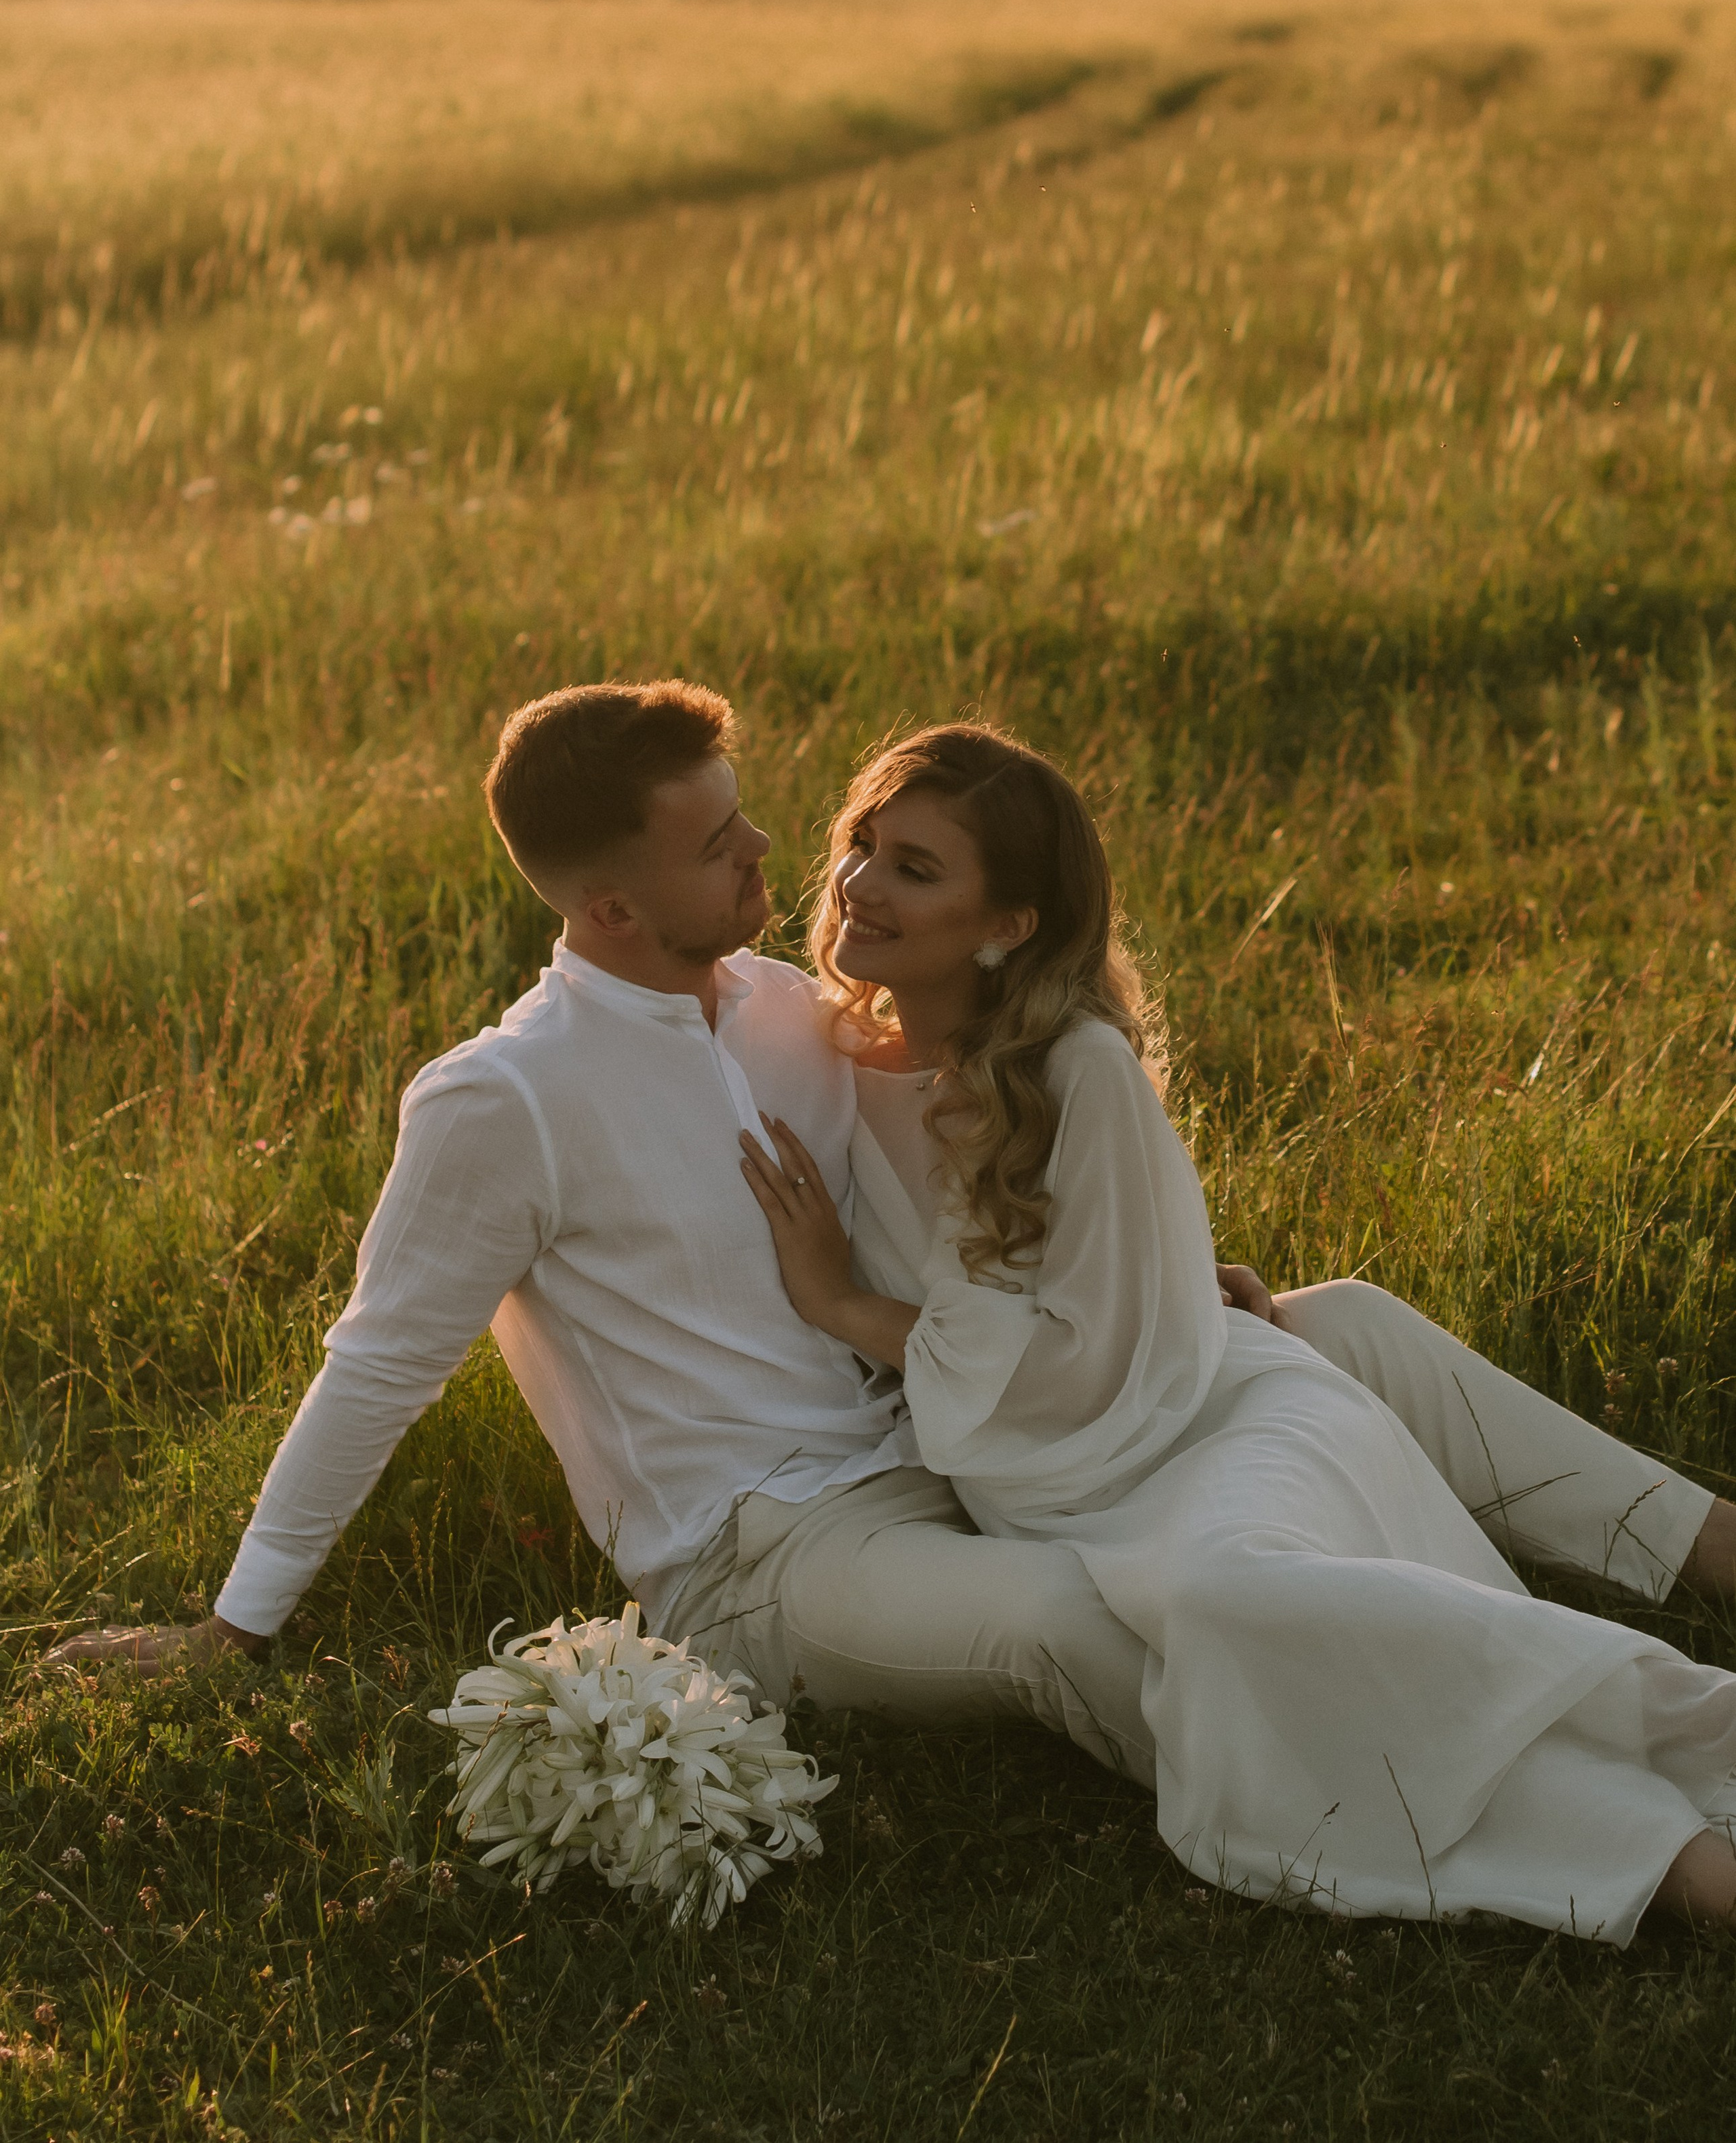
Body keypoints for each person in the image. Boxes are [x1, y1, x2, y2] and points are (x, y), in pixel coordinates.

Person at [47, 689, 1736, 1933]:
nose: (772, 851)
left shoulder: (796, 1009)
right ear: (609, 906)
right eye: (717, 843)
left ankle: (1666, 1607)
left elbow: (1000, 1180)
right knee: (1112, 1623)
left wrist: (1164, 1289)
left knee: (1322, 1335)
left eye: (750, 816)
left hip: (961, 1440)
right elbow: (376, 1366)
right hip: (768, 1545)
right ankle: (1643, 1847)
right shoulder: (504, 1103)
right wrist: (235, 1630)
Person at [735, 722, 1736, 1939]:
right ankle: (1665, 1846)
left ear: (1009, 924)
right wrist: (1156, 1269)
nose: (859, 881)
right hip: (1061, 1493)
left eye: (915, 867)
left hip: (1201, 1426)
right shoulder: (819, 1054)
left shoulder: (1079, 1067)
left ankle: (1693, 1766)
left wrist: (847, 1305)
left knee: (1230, 1595)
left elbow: (1082, 1367)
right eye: (862, 842)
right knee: (1246, 1625)